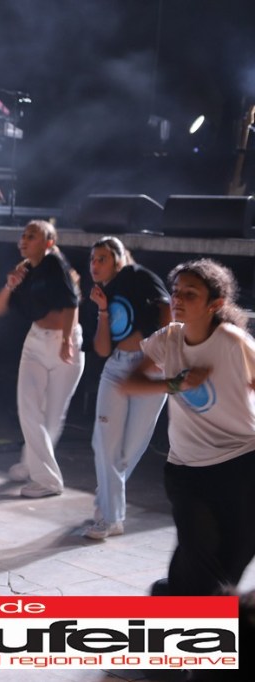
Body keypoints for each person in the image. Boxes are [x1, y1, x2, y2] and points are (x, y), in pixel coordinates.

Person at [121, 259, 255, 597]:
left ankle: (175, 597)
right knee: (199, 554)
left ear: (215, 304)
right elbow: (130, 382)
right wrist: (174, 384)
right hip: (187, 468)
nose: (178, 299)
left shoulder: (231, 341)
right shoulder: (169, 339)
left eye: (190, 294)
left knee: (234, 559)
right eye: (176, 291)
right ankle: (178, 601)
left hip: (241, 462)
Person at [0, 219, 84, 498]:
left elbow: (71, 303)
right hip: (35, 341)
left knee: (52, 415)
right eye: (23, 235)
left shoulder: (55, 265)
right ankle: (42, 473)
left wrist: (66, 341)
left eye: (32, 236)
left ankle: (37, 470)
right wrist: (10, 285)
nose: (24, 240)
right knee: (28, 409)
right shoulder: (24, 270)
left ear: (48, 243)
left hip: (64, 341)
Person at [85, 236, 170, 540]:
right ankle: (111, 518)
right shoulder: (101, 293)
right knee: (104, 443)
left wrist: (160, 354)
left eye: (102, 258)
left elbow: (167, 308)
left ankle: (106, 505)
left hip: (150, 366)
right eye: (92, 259)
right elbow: (102, 349)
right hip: (116, 367)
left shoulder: (138, 276)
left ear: (119, 259)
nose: (95, 264)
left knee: (129, 449)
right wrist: (102, 310)